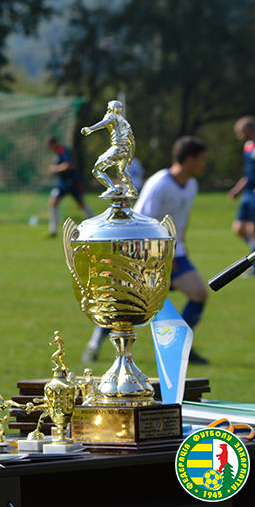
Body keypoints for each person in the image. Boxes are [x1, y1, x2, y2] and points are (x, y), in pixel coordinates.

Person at [82, 136, 210, 365]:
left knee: (199, 293)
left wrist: (183, 246)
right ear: (189, 160)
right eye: (201, 159)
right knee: (127, 304)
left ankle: (181, 347)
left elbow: (182, 221)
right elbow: (140, 222)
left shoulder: (191, 185)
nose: (204, 164)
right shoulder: (160, 184)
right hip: (147, 254)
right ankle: (94, 345)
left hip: (175, 252)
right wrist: (158, 257)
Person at [81, 100, 137, 198]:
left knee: (97, 169)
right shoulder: (126, 123)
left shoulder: (112, 116)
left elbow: (105, 123)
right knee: (123, 172)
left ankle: (112, 188)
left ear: (112, 108)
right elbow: (132, 142)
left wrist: (90, 129)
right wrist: (131, 157)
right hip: (125, 151)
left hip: (116, 148)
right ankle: (133, 190)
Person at [45, 136, 93, 237]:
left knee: (81, 204)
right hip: (62, 183)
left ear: (54, 143)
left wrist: (55, 169)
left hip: (72, 182)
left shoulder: (63, 150)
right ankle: (53, 230)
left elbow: (69, 165)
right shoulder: (57, 153)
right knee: (53, 202)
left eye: (49, 146)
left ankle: (94, 223)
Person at [227, 116, 255, 273]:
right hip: (248, 194)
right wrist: (238, 189)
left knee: (252, 231)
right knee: (238, 229)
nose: (239, 135)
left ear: (249, 130)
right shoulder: (248, 147)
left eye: (240, 132)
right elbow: (248, 173)